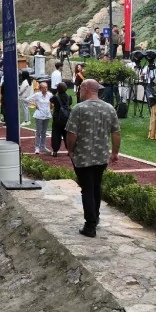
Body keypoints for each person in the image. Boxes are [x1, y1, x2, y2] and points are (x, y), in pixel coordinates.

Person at [66, 78, 121, 237]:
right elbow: (116, 133)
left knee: (87, 189)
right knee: (96, 186)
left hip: (83, 156)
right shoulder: (109, 108)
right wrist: (115, 153)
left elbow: (72, 133)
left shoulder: (79, 109)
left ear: (85, 89)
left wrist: (70, 149)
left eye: (80, 89)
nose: (79, 92)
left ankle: (90, 225)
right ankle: (95, 217)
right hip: (101, 156)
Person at [50, 82, 72, 157]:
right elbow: (70, 104)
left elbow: (51, 100)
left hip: (57, 119)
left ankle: (55, 151)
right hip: (67, 119)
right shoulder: (69, 97)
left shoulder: (55, 97)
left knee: (56, 134)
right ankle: (69, 150)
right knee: (67, 135)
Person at [31, 80, 52, 154]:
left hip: (46, 115)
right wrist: (35, 105)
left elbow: (53, 101)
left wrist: (51, 107)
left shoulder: (50, 94)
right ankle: (37, 147)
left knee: (44, 132)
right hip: (39, 115)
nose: (45, 89)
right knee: (38, 131)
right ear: (40, 88)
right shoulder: (37, 95)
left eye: (46, 87)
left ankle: (43, 146)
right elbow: (28, 99)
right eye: (43, 87)